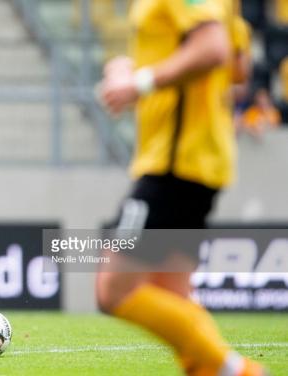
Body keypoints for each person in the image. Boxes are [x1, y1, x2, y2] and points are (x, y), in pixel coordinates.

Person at [97, 1, 266, 375]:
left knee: (113, 289)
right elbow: (238, 69)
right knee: (171, 295)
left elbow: (214, 49)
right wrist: (136, 71)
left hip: (176, 163)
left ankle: (238, 371)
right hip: (197, 162)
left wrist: (140, 82)